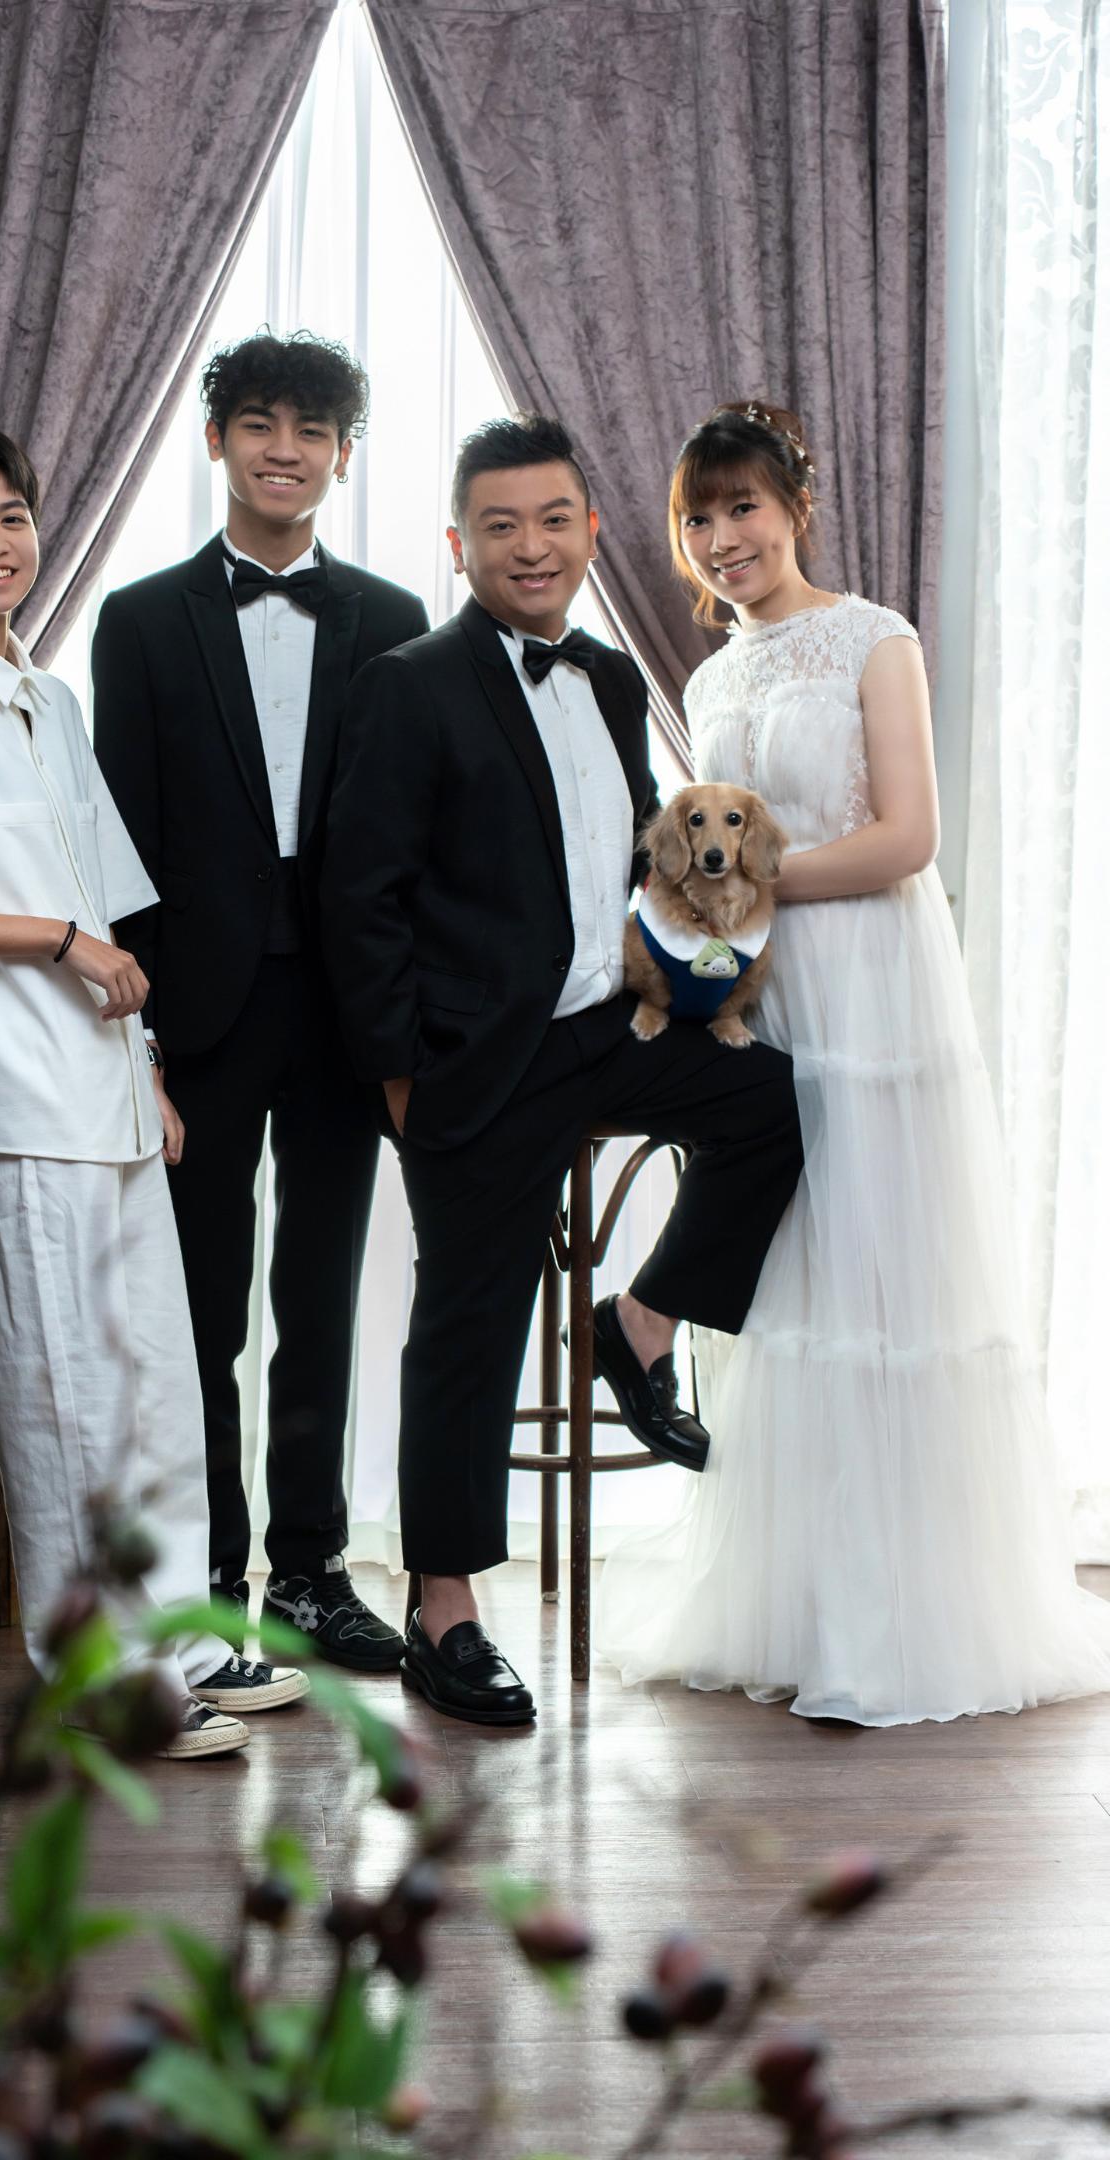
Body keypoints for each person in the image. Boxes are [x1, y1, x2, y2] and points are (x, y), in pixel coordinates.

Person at [598, 401, 1110, 1723]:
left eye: (743, 508)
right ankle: (800, 1606)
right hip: (765, 996)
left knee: (886, 1274)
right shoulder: (707, 681)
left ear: (795, 510)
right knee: (791, 1283)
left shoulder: (876, 639)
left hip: (876, 985)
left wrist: (751, 884)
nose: (722, 538)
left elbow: (907, 837)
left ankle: (900, 1622)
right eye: (698, 519)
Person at [321, 414, 805, 1726]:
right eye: (501, 525)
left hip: (611, 1025)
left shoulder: (606, 675)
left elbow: (633, 855)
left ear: (591, 531)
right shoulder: (411, 685)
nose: (530, 547)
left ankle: (634, 1329)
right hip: (480, 1061)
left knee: (770, 1102)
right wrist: (402, 1078)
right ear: (459, 544)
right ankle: (445, 1613)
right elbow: (359, 900)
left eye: (552, 520)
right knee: (467, 1324)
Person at [0, 423, 310, 1759]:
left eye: (13, 517)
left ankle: (182, 1646)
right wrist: (57, 944)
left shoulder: (43, 697)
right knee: (65, 1403)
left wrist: (147, 1068)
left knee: (153, 1388)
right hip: (22, 1108)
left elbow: (100, 899)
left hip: (105, 1095)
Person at [92, 335, 429, 1671]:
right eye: (259, 424)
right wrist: (139, 1042)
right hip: (200, 1013)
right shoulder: (140, 620)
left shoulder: (396, 618)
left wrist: (408, 1020)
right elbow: (119, 839)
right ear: (217, 438)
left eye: (312, 430)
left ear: (343, 455)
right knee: (201, 1309)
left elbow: (414, 840)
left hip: (346, 1014)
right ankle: (210, 1579)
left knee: (323, 1301)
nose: (285, 450)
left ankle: (311, 1574)